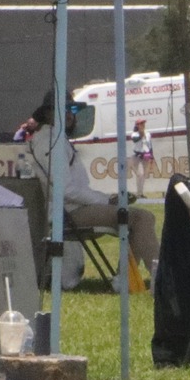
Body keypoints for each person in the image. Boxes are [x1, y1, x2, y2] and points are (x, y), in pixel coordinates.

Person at [27, 96, 159, 277]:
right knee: (142, 218)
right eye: (63, 110)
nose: (70, 115)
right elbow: (65, 189)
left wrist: (106, 199)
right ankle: (160, 279)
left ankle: (127, 279)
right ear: (48, 113)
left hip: (73, 209)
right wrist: (105, 200)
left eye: (72, 110)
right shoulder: (50, 141)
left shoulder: (54, 138)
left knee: (139, 218)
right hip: (67, 213)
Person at [128, 118, 154, 200]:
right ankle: (139, 193)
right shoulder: (134, 134)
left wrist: (151, 156)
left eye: (143, 123)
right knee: (140, 174)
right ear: (137, 125)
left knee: (143, 176)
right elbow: (136, 140)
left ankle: (141, 193)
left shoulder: (148, 134)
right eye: (141, 124)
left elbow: (149, 145)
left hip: (145, 156)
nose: (143, 125)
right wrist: (141, 132)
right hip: (137, 156)